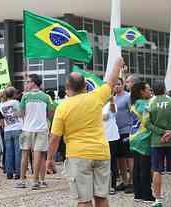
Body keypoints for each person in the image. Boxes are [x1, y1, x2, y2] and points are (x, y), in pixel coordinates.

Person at [46, 57, 124, 207]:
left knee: (84, 200)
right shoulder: (96, 97)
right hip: (101, 152)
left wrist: (49, 159)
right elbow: (111, 82)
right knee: (101, 197)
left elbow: (55, 137)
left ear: (67, 88)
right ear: (85, 86)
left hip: (78, 156)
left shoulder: (62, 107)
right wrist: (117, 63)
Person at [145, 80, 171, 207]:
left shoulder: (150, 103)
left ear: (153, 90)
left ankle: (158, 200)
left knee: (157, 170)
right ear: (164, 88)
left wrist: (161, 132)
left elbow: (146, 122)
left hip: (157, 141)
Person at [16, 74, 53, 190]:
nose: (26, 84)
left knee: (24, 155)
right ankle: (36, 181)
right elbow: (50, 114)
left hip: (26, 128)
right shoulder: (46, 97)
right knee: (39, 156)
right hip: (41, 129)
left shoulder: (25, 97)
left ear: (33, 83)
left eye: (28, 82)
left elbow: (20, 113)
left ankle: (22, 180)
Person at [129, 81, 154, 203]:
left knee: (137, 167)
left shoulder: (134, 104)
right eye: (148, 89)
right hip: (143, 138)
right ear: (142, 92)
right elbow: (149, 121)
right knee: (145, 168)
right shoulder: (144, 104)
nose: (150, 91)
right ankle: (147, 195)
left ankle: (138, 194)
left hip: (134, 137)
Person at [114, 78, 134, 193]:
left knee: (129, 157)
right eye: (115, 85)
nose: (117, 86)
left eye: (119, 84)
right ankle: (124, 181)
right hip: (116, 132)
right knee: (120, 158)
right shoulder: (113, 98)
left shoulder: (128, 96)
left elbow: (133, 112)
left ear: (122, 85)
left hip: (127, 130)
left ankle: (132, 182)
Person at [0, 87, 23, 180]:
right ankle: (18, 172)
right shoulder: (17, 103)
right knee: (18, 152)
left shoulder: (1, 105)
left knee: (8, 152)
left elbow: (1, 119)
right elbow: (21, 113)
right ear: (14, 94)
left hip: (7, 130)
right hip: (18, 128)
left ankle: (9, 172)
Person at [101, 96, 119, 195]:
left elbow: (113, 111)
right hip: (100, 137)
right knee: (102, 162)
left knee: (112, 161)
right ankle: (103, 185)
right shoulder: (97, 105)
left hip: (112, 137)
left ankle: (112, 185)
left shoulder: (111, 105)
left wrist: (111, 101)